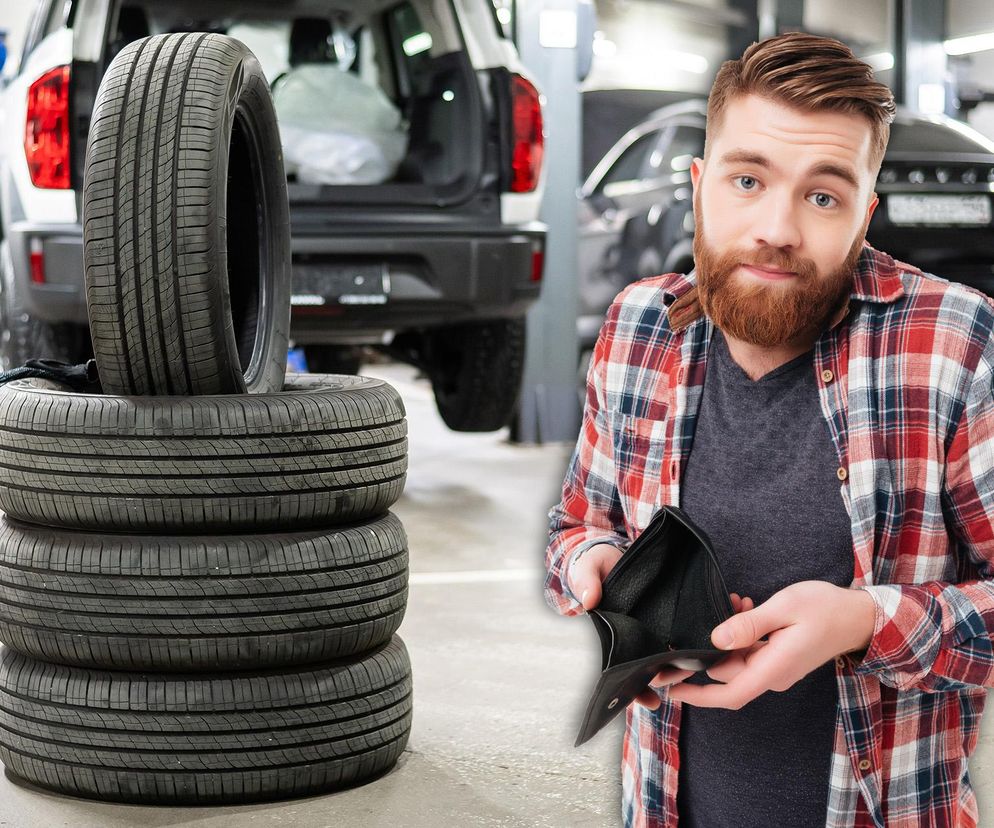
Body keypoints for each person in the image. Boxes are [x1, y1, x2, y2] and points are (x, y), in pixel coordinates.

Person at [544, 30, 994, 828]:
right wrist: (599, 569)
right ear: (698, 185)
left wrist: (863, 622)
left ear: (864, 215)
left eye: (823, 195)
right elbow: (581, 522)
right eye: (748, 179)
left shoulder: (956, 345)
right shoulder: (639, 326)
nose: (778, 228)